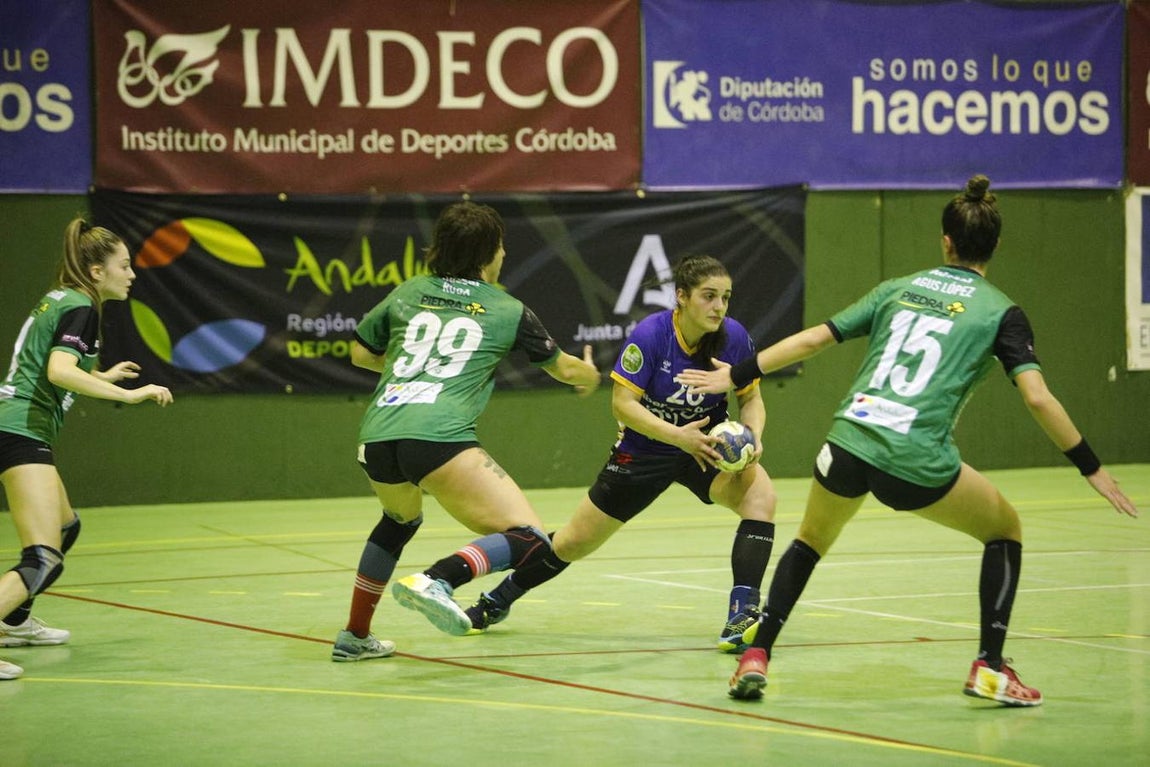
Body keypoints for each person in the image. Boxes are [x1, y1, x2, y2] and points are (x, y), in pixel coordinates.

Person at [680, 175, 1139, 705]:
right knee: (1005, 530)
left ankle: (755, 656)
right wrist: (1090, 467)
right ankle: (990, 667)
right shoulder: (1001, 312)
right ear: (994, 245)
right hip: (913, 456)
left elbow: (811, 340)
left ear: (945, 241)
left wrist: (736, 374)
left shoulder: (898, 288)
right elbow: (1037, 398)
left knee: (808, 542)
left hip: (848, 440)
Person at [460, 254, 777, 654]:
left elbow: (752, 399)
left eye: (725, 298)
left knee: (761, 497)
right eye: (708, 296)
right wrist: (677, 436)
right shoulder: (651, 336)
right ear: (682, 297)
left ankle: (741, 615)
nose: (718, 307)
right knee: (573, 543)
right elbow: (623, 405)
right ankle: (496, 601)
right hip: (645, 450)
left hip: (706, 445)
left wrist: (753, 435)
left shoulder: (734, 338)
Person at [331, 200, 601, 661]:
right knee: (530, 537)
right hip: (437, 436)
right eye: (501, 248)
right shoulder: (507, 308)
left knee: (399, 521)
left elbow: (360, 353)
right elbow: (564, 369)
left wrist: (407, 372)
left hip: (377, 434)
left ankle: (355, 636)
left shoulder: (408, 291)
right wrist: (591, 377)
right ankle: (439, 579)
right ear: (489, 253)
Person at [0, 218, 174, 680]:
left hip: (16, 424)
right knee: (43, 556)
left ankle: (13, 621)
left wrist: (101, 376)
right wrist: (129, 394)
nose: (132, 274)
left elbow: (45, 364)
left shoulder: (62, 298)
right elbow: (58, 371)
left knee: (65, 527)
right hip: (19, 429)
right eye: (124, 265)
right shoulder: (83, 307)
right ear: (97, 272)